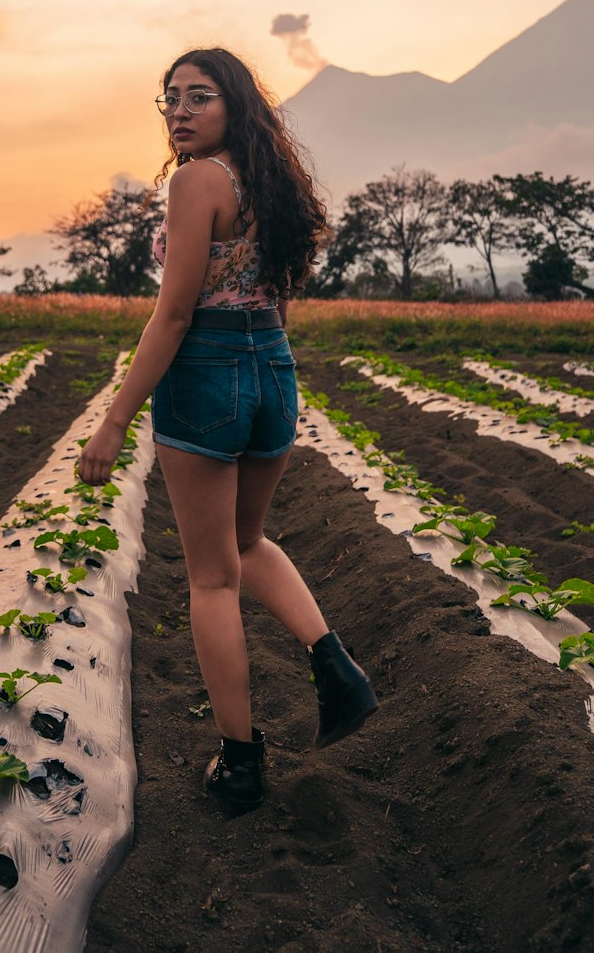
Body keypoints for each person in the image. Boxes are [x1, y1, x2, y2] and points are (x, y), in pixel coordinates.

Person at [77, 47, 377, 813]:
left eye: (198, 97)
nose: (178, 110)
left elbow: (174, 314)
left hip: (208, 371)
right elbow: (274, 304)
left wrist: (115, 421)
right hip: (274, 371)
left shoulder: (196, 181)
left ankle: (241, 764)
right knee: (247, 543)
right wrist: (262, 368)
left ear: (234, 106)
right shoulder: (272, 183)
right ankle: (336, 669)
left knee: (212, 577)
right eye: (168, 98)